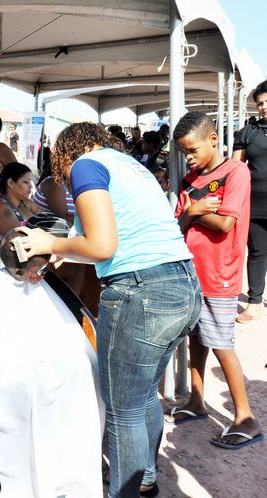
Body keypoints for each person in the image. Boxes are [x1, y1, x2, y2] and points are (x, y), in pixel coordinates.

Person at [17, 122, 201, 497]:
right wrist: (55, 252)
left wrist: (46, 239)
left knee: (123, 411)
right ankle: (146, 478)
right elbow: (93, 242)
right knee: (144, 394)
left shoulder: (86, 164)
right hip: (182, 287)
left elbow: (102, 246)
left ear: (68, 152)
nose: (65, 180)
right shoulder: (131, 166)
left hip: (141, 293)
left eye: (61, 170)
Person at [0, 225, 103, 497]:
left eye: (44, 269)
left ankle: (64, 461)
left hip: (46, 356)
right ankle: (33, 465)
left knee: (83, 370)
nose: (41, 276)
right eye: (36, 270)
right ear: (17, 269)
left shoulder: (44, 286)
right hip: (8, 365)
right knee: (32, 386)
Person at [170, 111, 262, 450]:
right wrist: (192, 213)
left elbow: (226, 224)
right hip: (192, 271)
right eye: (183, 152)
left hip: (219, 274)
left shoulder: (236, 172)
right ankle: (197, 400)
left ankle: (245, 417)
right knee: (197, 339)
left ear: (212, 140)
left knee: (221, 342)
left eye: (192, 150)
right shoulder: (191, 180)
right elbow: (177, 222)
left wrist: (193, 212)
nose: (188, 157)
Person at [232, 79, 267, 323]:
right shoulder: (248, 132)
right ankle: (254, 302)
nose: (263, 106)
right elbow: (235, 167)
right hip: (255, 203)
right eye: (260, 103)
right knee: (256, 252)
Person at [0, 162, 43, 249]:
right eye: (26, 182)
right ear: (11, 183)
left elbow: (43, 217)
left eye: (31, 182)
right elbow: (22, 241)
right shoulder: (2, 210)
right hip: (3, 260)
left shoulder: (19, 203)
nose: (31, 187)